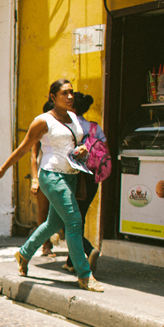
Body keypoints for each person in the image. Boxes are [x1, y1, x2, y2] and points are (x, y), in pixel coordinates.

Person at [0, 79, 104, 292]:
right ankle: (85, 275)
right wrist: (4, 168)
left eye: (71, 92)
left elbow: (76, 142)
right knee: (73, 221)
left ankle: (24, 253)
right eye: (64, 93)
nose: (70, 97)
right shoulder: (42, 121)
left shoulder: (73, 117)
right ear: (53, 97)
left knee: (53, 224)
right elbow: (24, 148)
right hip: (52, 176)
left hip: (71, 175)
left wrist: (82, 149)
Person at [62, 91, 104, 275]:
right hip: (92, 178)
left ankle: (88, 250)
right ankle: (71, 261)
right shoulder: (95, 128)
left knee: (66, 220)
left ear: (72, 108)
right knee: (80, 217)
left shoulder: (69, 126)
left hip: (74, 177)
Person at [30, 100, 56, 257]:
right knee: (43, 211)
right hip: (42, 174)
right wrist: (35, 179)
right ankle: (45, 245)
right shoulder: (40, 126)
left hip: (59, 174)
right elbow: (33, 156)